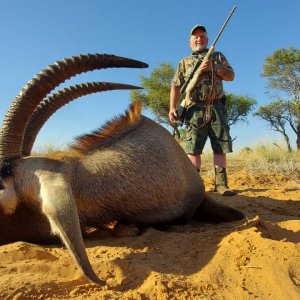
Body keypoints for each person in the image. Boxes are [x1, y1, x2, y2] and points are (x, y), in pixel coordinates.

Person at [169, 24, 236, 196]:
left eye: (202, 36)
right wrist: (172, 108)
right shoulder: (183, 62)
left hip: (217, 106)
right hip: (194, 109)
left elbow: (231, 76)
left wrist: (214, 68)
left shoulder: (218, 56)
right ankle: (195, 186)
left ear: (207, 39)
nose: (199, 39)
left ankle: (221, 185)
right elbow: (176, 86)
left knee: (220, 147)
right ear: (190, 41)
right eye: (195, 37)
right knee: (193, 148)